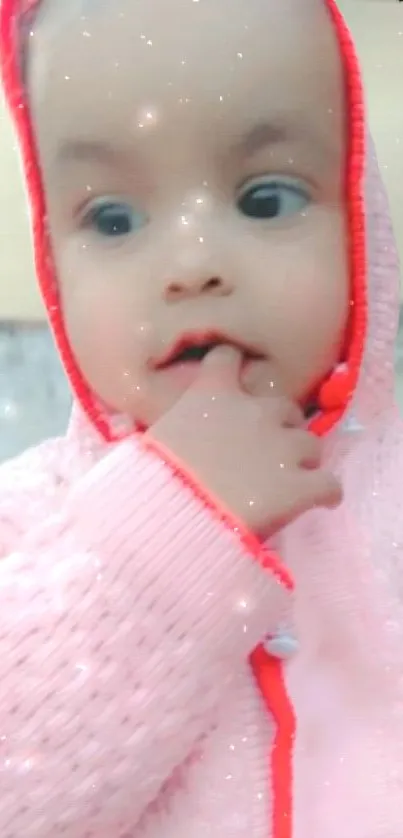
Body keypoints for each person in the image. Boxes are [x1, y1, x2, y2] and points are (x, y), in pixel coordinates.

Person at [0, 0, 402, 835]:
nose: (191, 266)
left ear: (360, 225)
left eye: (265, 200)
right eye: (113, 219)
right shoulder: (29, 518)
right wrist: (171, 530)